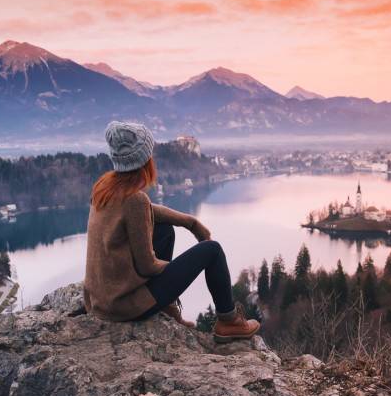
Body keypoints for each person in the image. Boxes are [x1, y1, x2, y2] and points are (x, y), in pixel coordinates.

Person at [83, 120, 260, 343]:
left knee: (164, 229)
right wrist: (177, 271)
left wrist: (190, 222)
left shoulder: (105, 187)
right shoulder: (134, 199)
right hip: (123, 307)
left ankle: (165, 307)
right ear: (144, 159)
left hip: (100, 301)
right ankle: (229, 321)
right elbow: (147, 265)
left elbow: (148, 210)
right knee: (212, 250)